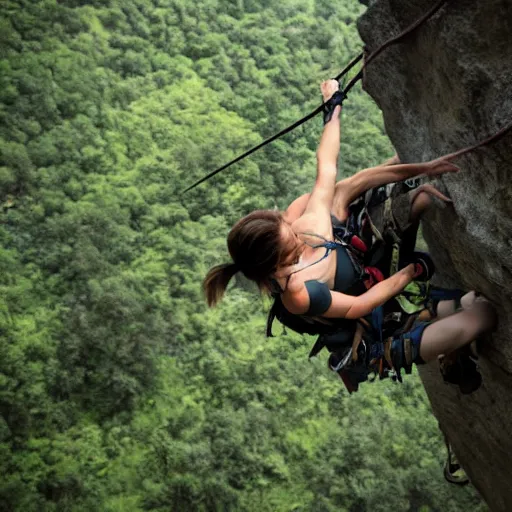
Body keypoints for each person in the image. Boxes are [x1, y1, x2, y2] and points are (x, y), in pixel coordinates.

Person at [204, 79, 496, 378]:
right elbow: (360, 305)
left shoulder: (308, 224)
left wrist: (333, 105)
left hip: (367, 268)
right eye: (289, 237)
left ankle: (447, 320)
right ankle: (446, 334)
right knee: (480, 316)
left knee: (465, 297)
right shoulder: (298, 295)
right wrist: (411, 272)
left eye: (285, 223)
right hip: (373, 330)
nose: (294, 227)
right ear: (277, 262)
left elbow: (327, 165)